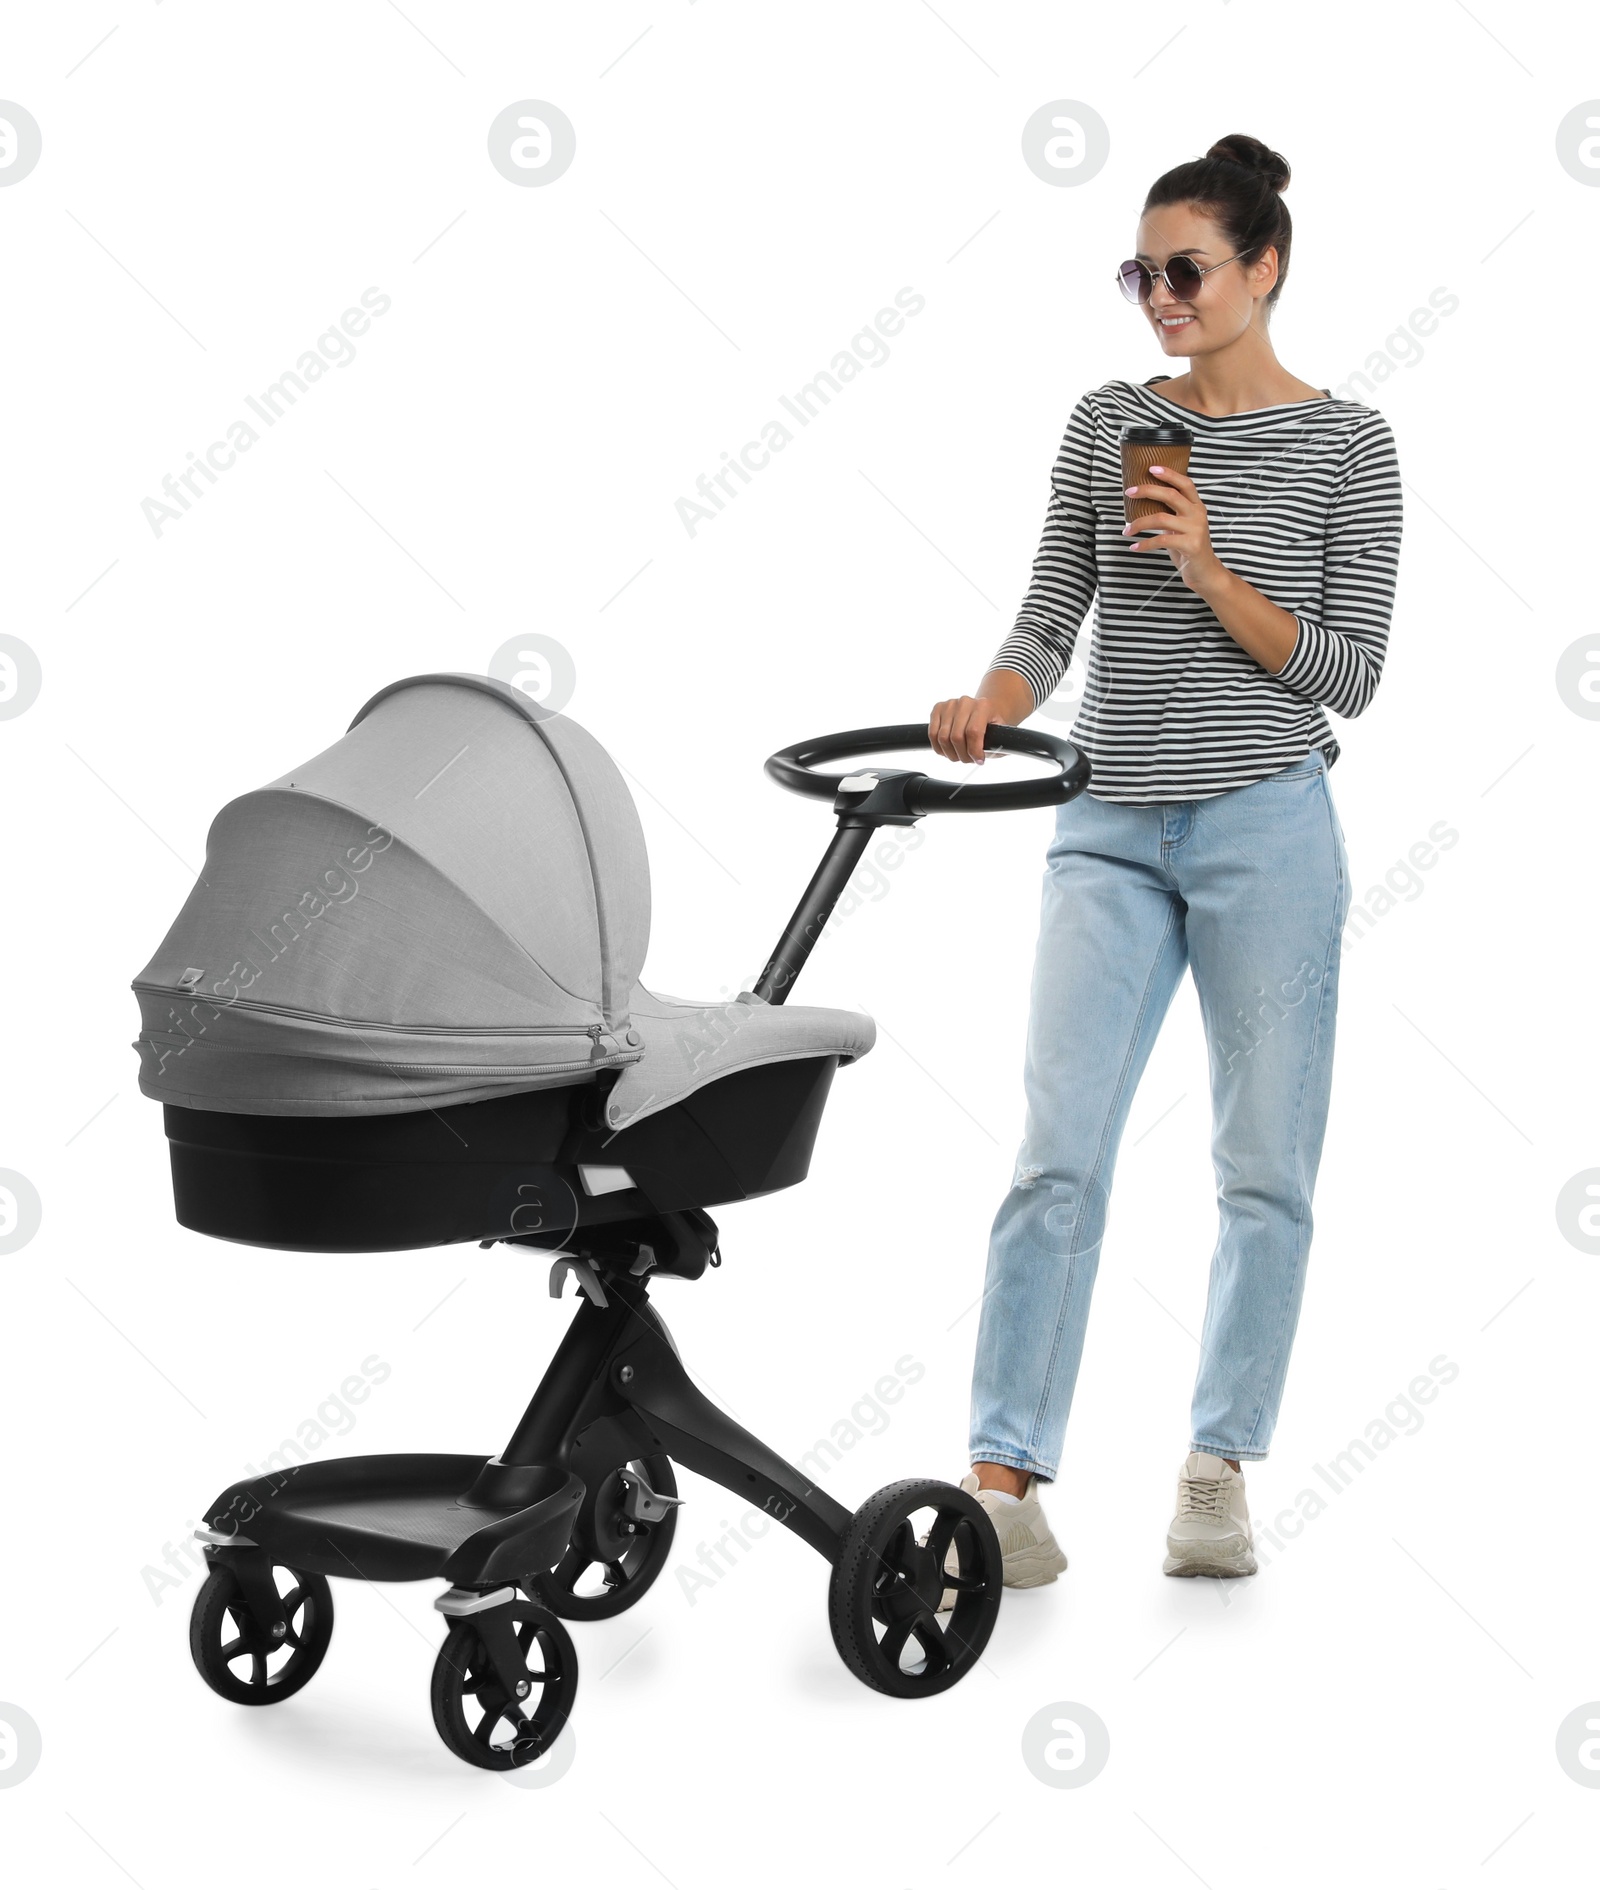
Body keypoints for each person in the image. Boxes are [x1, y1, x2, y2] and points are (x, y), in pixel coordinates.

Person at [929, 134, 1403, 1587]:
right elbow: (1048, 614)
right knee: (1055, 1152)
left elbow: (1349, 672)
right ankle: (1004, 1480)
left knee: (1265, 1165)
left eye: (1186, 269)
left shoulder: (1349, 443)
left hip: (1270, 822)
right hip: (1110, 823)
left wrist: (1205, 566)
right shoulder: (1105, 420)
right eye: (1140, 271)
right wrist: (988, 703)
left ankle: (1217, 1463)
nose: (1159, 297)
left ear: (1265, 268)